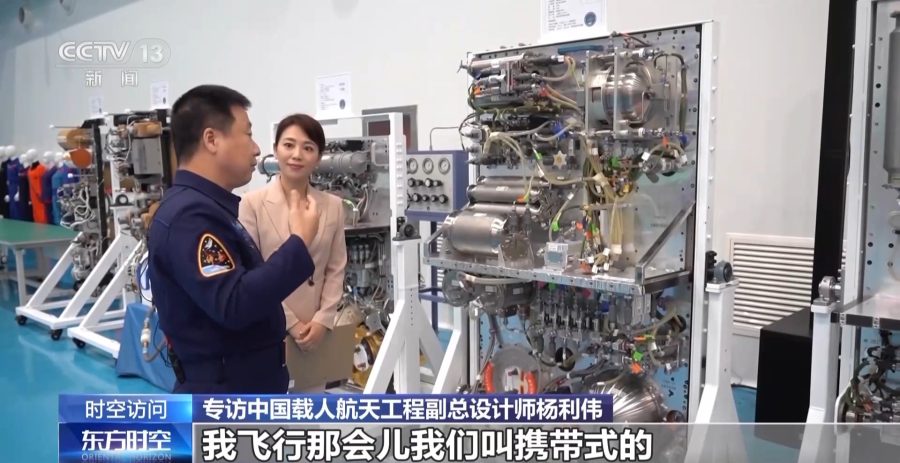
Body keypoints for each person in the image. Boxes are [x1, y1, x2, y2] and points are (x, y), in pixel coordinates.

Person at [147, 85, 320, 393]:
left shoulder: (208, 208)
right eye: (248, 134)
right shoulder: (190, 217)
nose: (256, 149)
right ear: (211, 139)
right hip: (225, 395)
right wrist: (299, 242)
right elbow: (235, 303)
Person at [239, 114, 347, 392]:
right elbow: (253, 270)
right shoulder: (252, 204)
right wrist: (292, 323)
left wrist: (323, 320)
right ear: (276, 150)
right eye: (289, 145)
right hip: (270, 325)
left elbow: (336, 268)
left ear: (318, 157)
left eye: (308, 148)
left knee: (310, 407)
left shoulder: (333, 206)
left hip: (316, 333)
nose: (297, 155)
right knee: (271, 409)